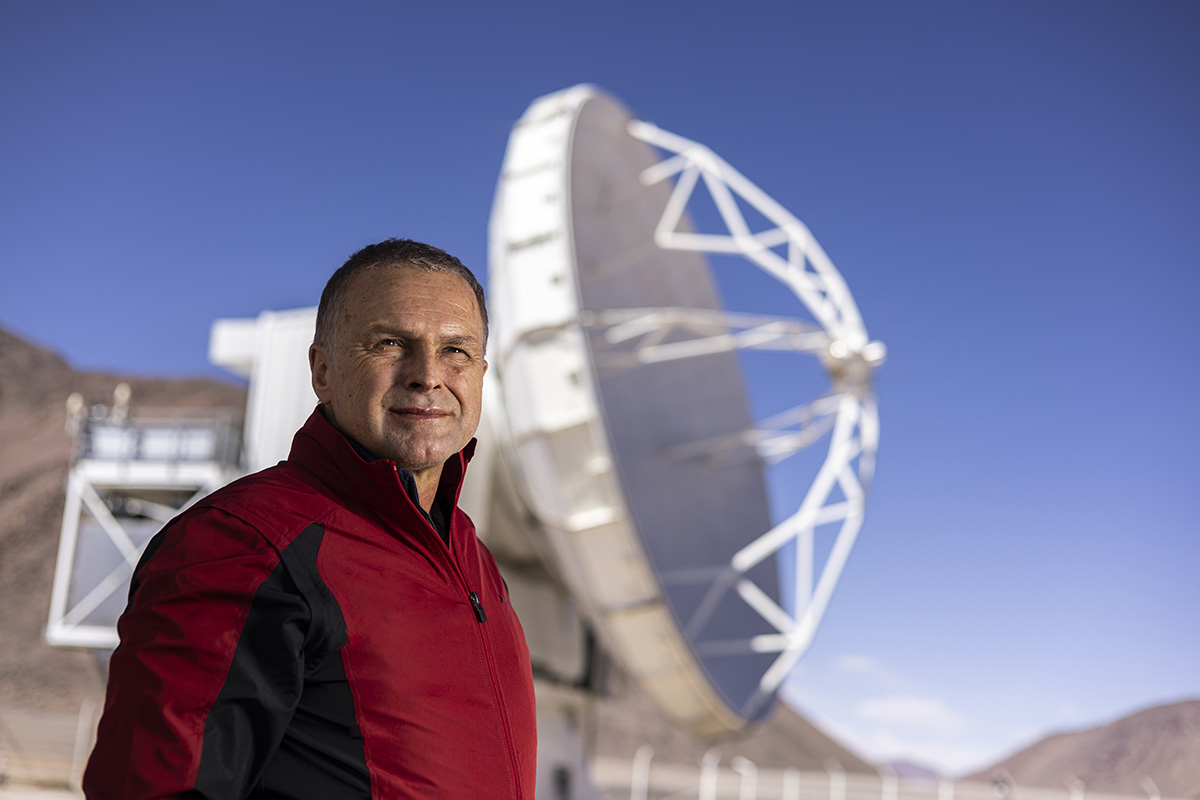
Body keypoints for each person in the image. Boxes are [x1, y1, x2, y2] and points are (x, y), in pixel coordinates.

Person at [83, 239, 537, 799]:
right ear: (322, 370)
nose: (427, 375)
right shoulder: (243, 544)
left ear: (482, 373)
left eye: (456, 351)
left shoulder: (471, 557)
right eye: (391, 343)